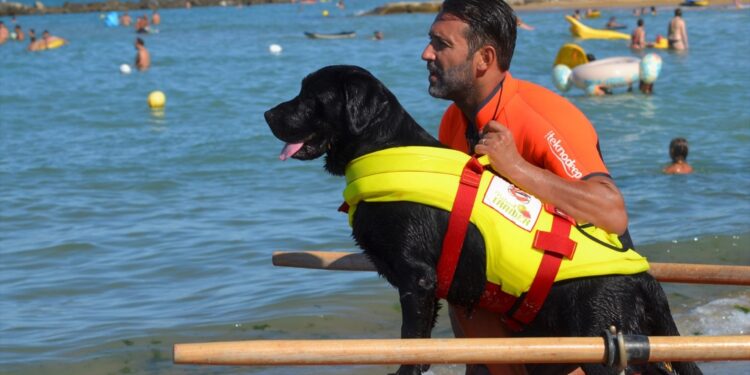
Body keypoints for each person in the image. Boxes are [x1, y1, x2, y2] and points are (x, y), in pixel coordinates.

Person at [421, 1, 631, 373]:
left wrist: (517, 167)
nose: (427, 54)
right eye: (430, 42)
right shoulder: (452, 122)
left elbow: (611, 211)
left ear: (484, 58)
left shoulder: (542, 115)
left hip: (589, 308)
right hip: (515, 304)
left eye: (441, 44)